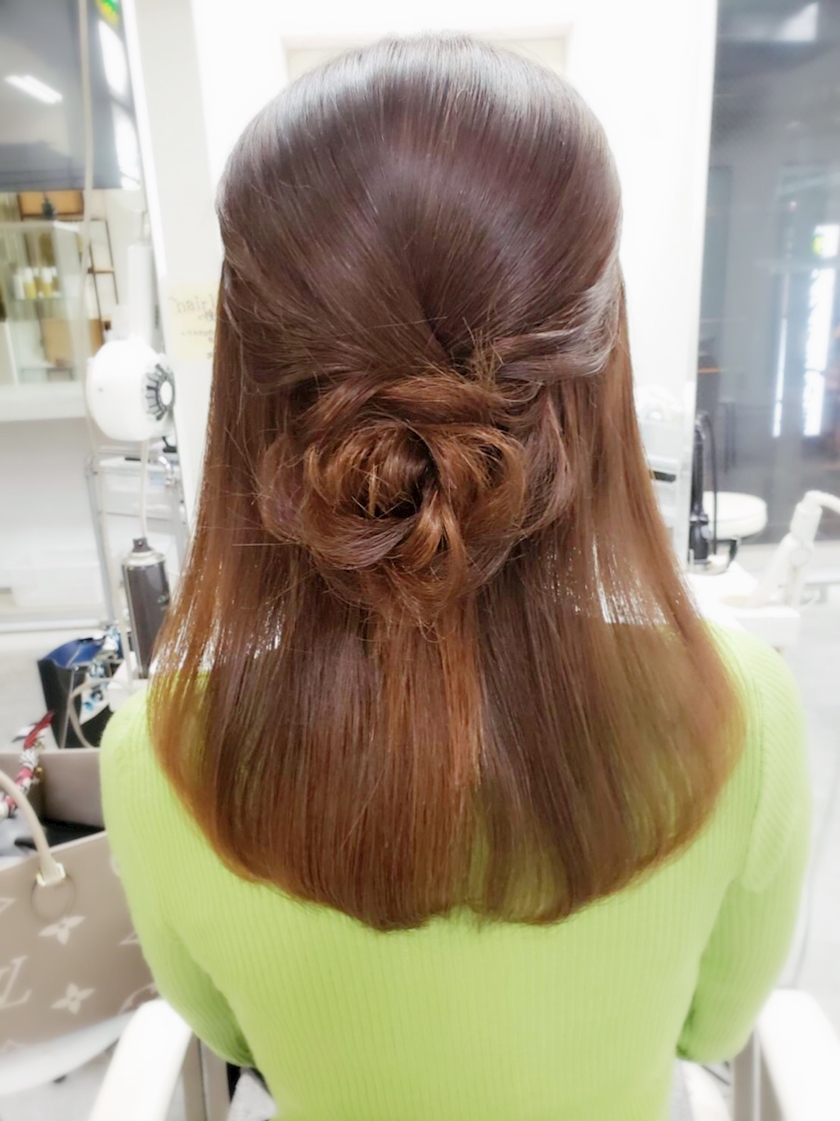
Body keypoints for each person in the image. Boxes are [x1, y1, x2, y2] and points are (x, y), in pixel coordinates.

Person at [101, 35, 811, 1121]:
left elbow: (229, 1037)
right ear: (597, 357)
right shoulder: (739, 711)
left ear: (251, 377)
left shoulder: (160, 754)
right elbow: (712, 1033)